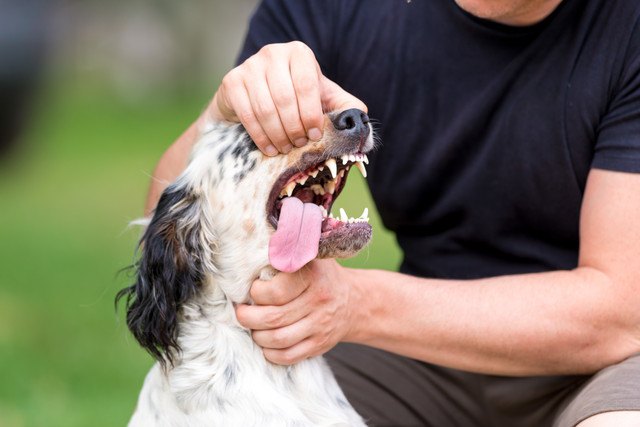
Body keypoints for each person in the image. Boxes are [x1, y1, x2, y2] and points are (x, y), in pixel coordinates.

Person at [145, 0, 640, 425]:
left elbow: (621, 314)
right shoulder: (334, 8)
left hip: (605, 362)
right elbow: (164, 233)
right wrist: (221, 109)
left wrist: (358, 305)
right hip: (418, 349)